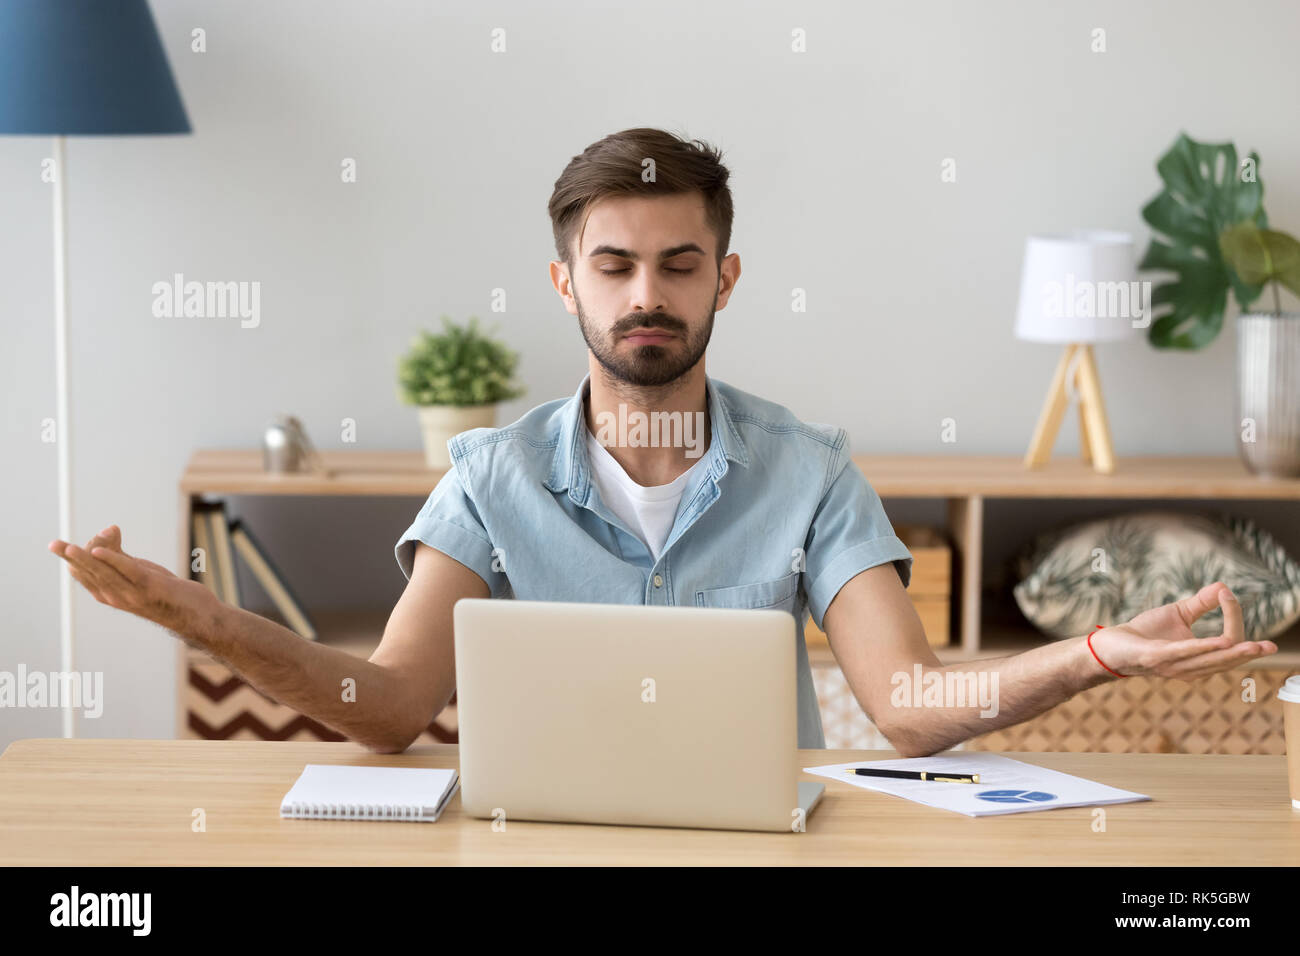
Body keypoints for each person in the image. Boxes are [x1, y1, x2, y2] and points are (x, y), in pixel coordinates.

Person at [49, 128, 1278, 756]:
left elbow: (906, 703)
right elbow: (391, 706)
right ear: (564, 282)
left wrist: (1096, 653)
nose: (647, 291)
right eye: (615, 263)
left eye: (678, 264)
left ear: (725, 279)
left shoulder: (810, 471)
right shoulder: (490, 476)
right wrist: (199, 617)